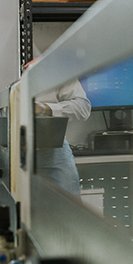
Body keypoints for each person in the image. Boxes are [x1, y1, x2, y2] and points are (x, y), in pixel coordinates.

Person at [29, 44, 91, 197]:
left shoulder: (55, 70)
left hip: (52, 146)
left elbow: (83, 108)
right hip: (13, 149)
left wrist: (45, 108)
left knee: (70, 206)